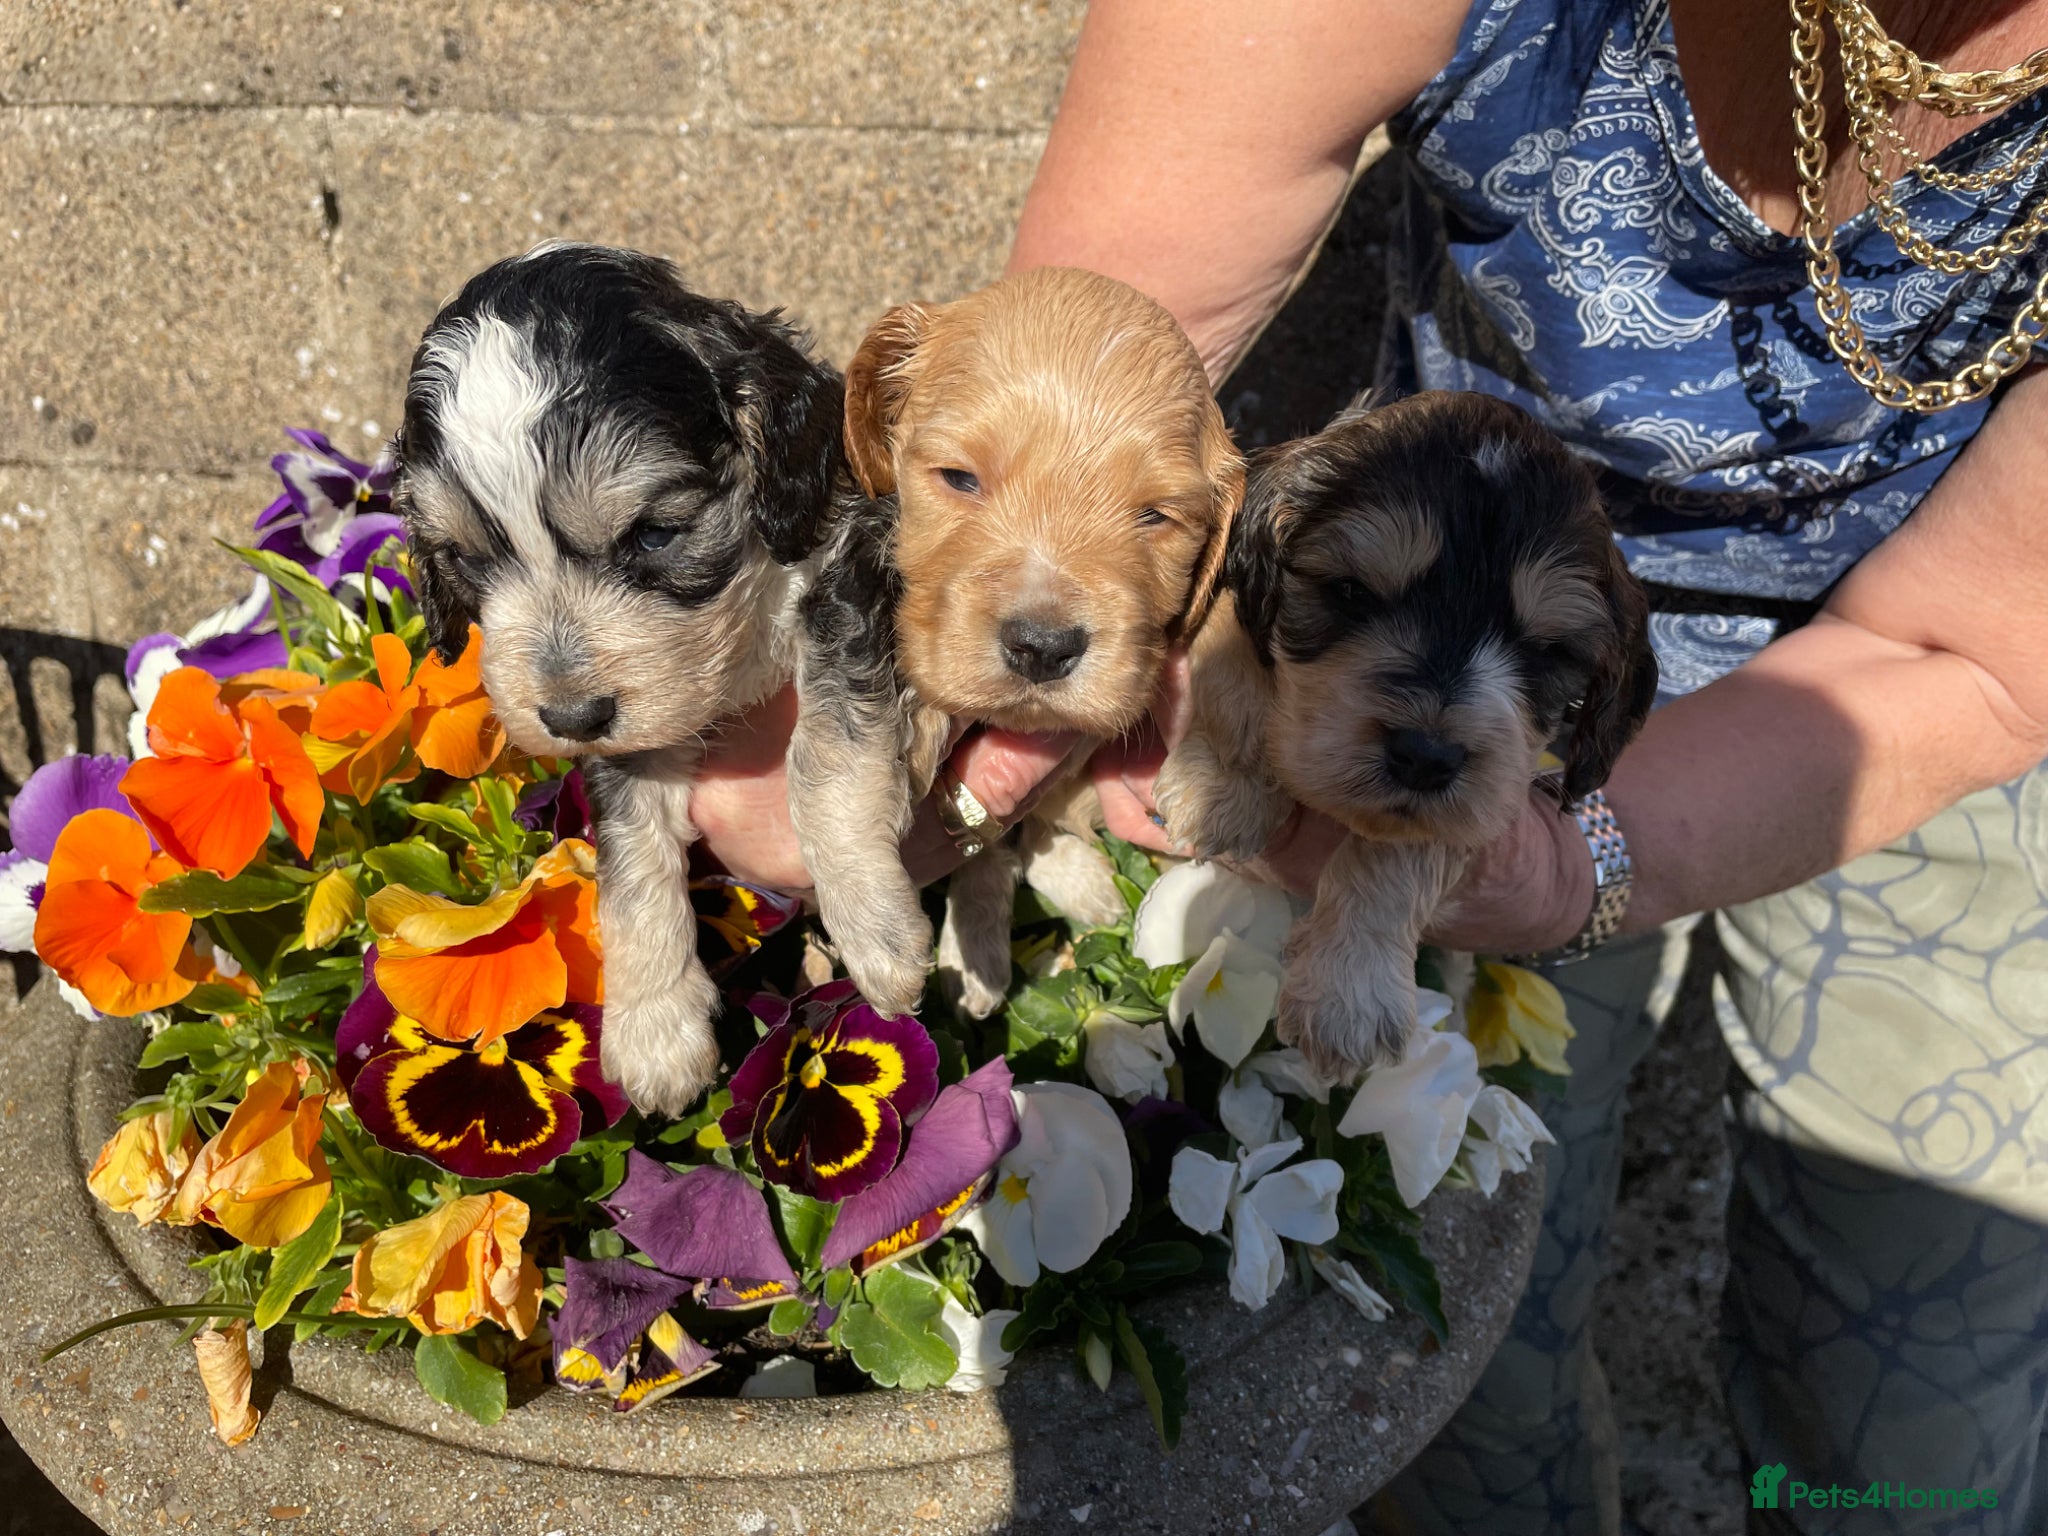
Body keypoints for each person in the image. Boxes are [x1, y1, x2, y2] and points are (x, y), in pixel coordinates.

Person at [689, 1, 2048, 1530]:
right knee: (1450, 1327)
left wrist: (1574, 864)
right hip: (1432, 651)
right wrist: (923, 730)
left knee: (1916, 1407)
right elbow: (1086, 390)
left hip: (1916, 696)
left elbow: (1980, 655)